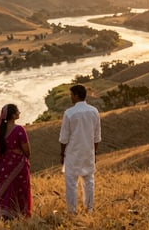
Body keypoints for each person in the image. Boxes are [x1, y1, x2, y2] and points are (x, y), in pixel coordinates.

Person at [59, 84, 101, 214]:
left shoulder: (69, 113)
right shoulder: (94, 111)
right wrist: (94, 152)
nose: (70, 97)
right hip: (88, 151)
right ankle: (89, 208)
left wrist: (62, 154)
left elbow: (64, 138)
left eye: (71, 95)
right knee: (89, 181)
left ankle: (72, 210)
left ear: (76, 96)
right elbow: (96, 136)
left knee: (71, 183)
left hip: (73, 152)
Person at [0, 103, 32, 219]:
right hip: (18, 165)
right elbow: (27, 150)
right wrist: (24, 156)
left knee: (7, 189)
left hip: (3, 166)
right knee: (20, 189)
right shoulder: (19, 129)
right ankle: (20, 214)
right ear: (12, 115)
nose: (19, 113)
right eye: (17, 111)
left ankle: (5, 214)